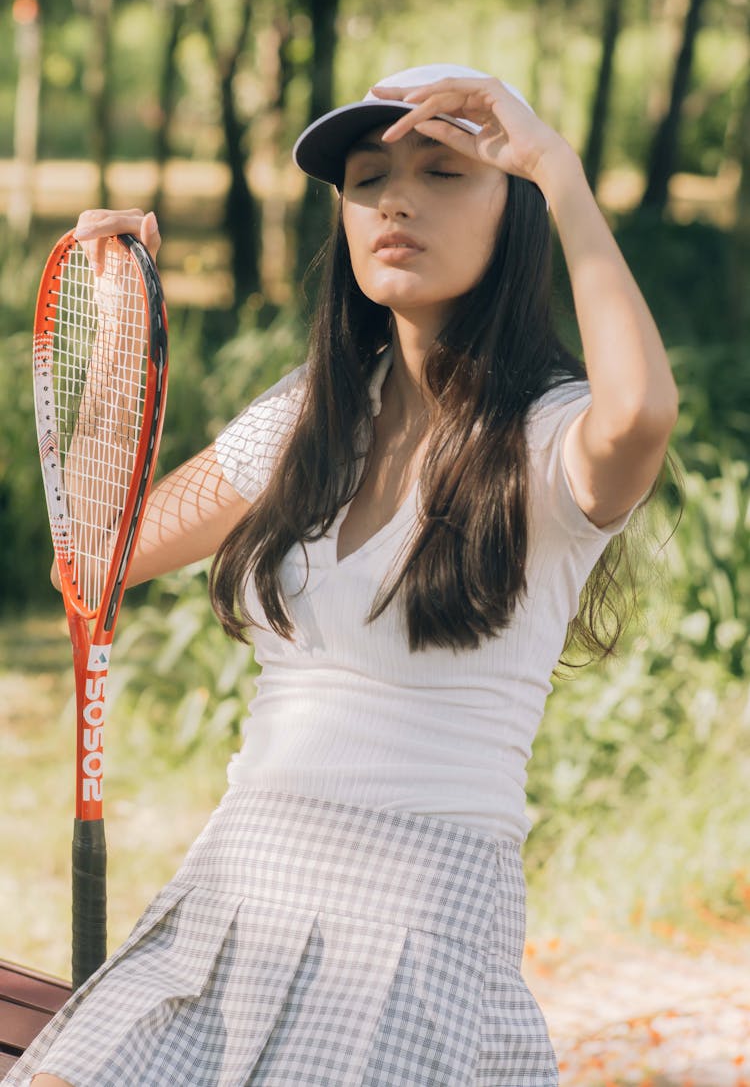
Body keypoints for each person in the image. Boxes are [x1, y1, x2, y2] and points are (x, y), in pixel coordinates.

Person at [8, 62, 678, 1087]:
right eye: (368, 178)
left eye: (443, 171)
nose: (395, 199)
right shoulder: (313, 412)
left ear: (518, 207)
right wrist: (117, 322)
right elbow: (101, 554)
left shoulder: (547, 437)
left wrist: (561, 174)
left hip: (414, 926)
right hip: (239, 887)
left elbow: (639, 418)